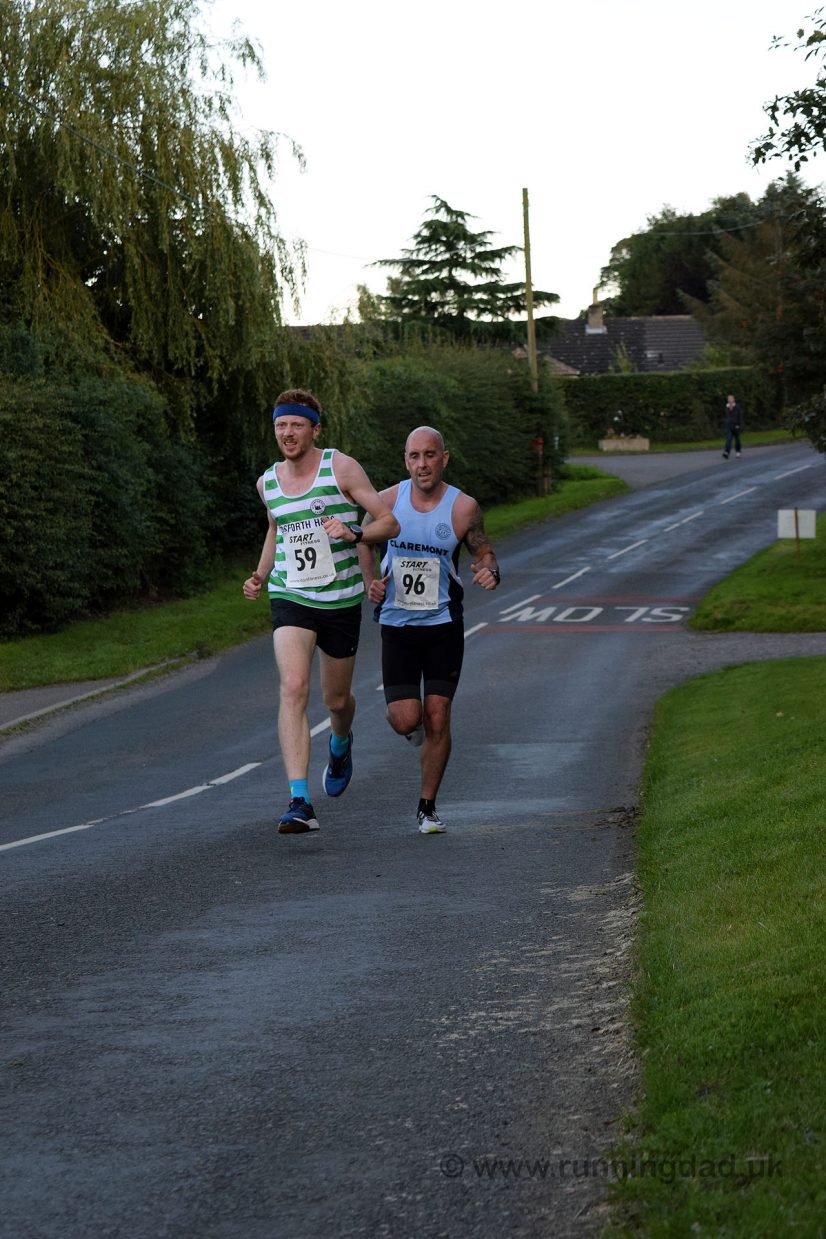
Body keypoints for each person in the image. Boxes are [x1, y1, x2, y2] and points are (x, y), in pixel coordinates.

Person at [243, 389, 399, 834]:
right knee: (293, 686)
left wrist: (353, 533)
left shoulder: (340, 467)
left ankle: (341, 739)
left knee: (335, 700)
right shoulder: (267, 482)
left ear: (314, 428)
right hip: (291, 594)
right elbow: (277, 528)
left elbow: (388, 522)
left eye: (295, 425)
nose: (287, 433)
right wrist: (259, 574)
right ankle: (298, 800)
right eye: (280, 426)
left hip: (341, 599)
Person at [358, 426, 500, 835]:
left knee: (438, 715)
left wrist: (490, 568)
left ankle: (427, 807)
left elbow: (482, 549)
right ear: (406, 460)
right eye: (415, 456)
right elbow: (363, 540)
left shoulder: (463, 507)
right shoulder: (387, 502)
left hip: (442, 625)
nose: (423, 464)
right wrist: (373, 583)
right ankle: (422, 734)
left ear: (444, 458)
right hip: (397, 626)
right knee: (406, 720)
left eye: (430, 455)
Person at [722, 393, 743, 459]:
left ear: (733, 399)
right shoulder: (726, 407)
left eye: (731, 398)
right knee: (728, 439)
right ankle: (726, 452)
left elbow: (739, 416)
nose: (730, 400)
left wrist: (738, 424)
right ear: (728, 400)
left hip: (736, 426)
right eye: (729, 399)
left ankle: (738, 452)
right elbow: (726, 416)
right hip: (729, 426)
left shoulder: (737, 407)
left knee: (737, 440)